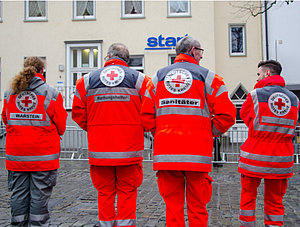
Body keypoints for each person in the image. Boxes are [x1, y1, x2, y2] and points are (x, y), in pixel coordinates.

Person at [140, 36, 236, 226]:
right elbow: (227, 115)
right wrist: (210, 132)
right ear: (193, 50)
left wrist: (159, 133)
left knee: (173, 207)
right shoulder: (210, 78)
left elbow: (145, 114)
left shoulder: (158, 77)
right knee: (198, 208)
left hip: (166, 154)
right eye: (200, 52)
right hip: (197, 154)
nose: (201, 56)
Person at [72, 43, 150, 227]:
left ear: (107, 57)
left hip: (100, 151)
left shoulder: (86, 81)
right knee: (127, 191)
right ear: (127, 60)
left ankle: (106, 224)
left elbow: (77, 113)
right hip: (129, 152)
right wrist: (140, 129)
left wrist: (94, 128)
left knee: (105, 192)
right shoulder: (141, 80)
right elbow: (148, 112)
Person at [1, 56, 68, 226]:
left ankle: (18, 224)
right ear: (42, 71)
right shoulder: (50, 92)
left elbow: (5, 118)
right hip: (43, 156)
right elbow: (61, 123)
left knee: (18, 194)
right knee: (39, 195)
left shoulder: (10, 92)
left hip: (17, 155)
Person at [238, 60, 299, 227]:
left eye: (258, 74)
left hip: (254, 157)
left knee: (248, 197)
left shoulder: (255, 95)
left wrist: (259, 131)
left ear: (267, 74)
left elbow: (245, 115)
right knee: (275, 201)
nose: (257, 79)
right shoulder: (294, 99)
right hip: (281, 159)